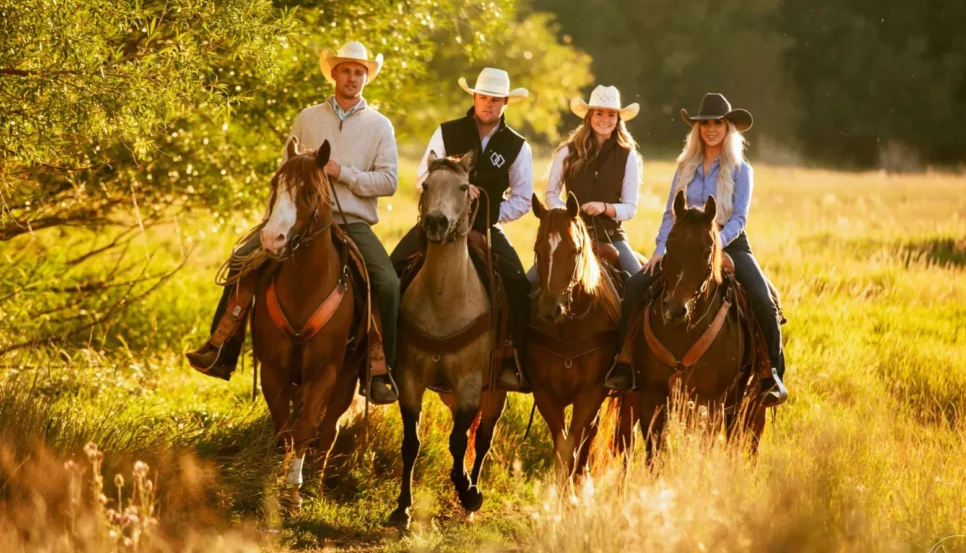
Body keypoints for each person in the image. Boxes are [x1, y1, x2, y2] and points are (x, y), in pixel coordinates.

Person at [186, 41, 401, 404]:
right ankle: (221, 347)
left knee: (388, 282)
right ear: (333, 73)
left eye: (359, 72)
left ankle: (379, 371)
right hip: (302, 220)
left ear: (367, 78)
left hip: (351, 223)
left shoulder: (380, 126)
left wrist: (342, 173)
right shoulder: (307, 118)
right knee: (243, 259)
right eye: (346, 70)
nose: (352, 78)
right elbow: (285, 168)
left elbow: (389, 181)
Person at [604, 93, 787, 405]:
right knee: (635, 287)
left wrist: (718, 247)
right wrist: (660, 249)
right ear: (697, 129)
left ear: (728, 128)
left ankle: (771, 375)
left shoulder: (742, 170)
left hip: (728, 243)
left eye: (717, 123)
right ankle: (624, 364)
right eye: (704, 124)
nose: (710, 129)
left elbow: (739, 218)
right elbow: (668, 214)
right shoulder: (685, 166)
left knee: (762, 298)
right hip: (682, 244)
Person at [390, 68, 533, 390]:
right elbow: (421, 179)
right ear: (474, 97)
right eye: (484, 97)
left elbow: (523, 199)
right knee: (390, 272)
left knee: (518, 283)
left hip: (485, 227)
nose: (489, 104)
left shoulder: (517, 145)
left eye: (496, 100)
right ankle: (384, 356)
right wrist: (446, 198)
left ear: (506, 103)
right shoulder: (447, 131)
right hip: (435, 221)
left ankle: (512, 359)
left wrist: (485, 218)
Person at [542, 84, 643, 275]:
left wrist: (604, 207)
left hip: (612, 237)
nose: (605, 119)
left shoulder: (628, 156)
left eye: (611, 114)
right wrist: (567, 212)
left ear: (618, 119)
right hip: (571, 234)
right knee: (531, 282)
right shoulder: (566, 152)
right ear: (589, 117)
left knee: (640, 282)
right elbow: (550, 194)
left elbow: (630, 208)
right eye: (599, 113)